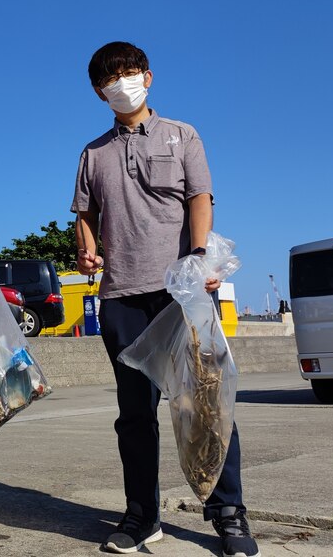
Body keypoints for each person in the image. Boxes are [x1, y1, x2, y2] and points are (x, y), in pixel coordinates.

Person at [72, 42, 260, 557]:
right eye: (110, 79)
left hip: (182, 294)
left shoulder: (183, 135)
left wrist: (200, 258)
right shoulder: (93, 153)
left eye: (129, 74)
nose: (121, 84)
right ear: (98, 91)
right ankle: (141, 517)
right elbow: (85, 215)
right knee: (134, 414)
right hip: (122, 298)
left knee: (205, 406)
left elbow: (200, 197)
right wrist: (87, 250)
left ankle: (228, 515)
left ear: (147, 77)